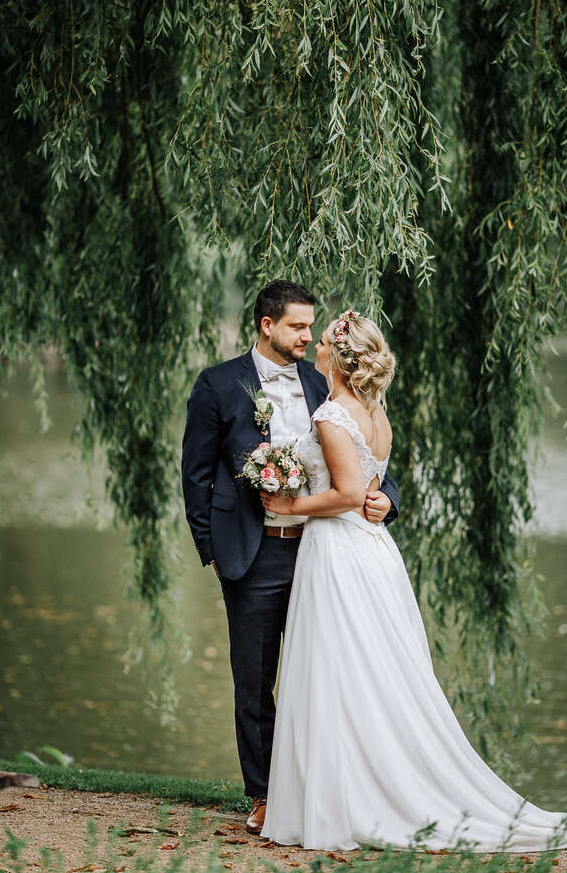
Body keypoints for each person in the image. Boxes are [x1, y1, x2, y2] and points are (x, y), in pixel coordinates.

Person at [258, 309, 567, 853]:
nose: (315, 346)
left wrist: (287, 503)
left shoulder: (331, 415)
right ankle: (353, 788)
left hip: (339, 553)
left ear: (339, 358)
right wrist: (375, 498)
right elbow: (371, 485)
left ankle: (345, 798)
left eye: (323, 341)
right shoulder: (374, 413)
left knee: (338, 668)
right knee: (366, 673)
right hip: (371, 552)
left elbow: (344, 495)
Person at [181, 283, 400, 835]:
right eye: (297, 327)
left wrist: (386, 497)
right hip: (252, 557)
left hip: (321, 553)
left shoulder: (323, 381)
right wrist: (212, 550)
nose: (308, 336)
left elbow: (363, 452)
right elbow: (196, 475)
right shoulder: (218, 384)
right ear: (265, 325)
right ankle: (263, 795)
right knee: (254, 683)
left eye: (311, 327)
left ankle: (327, 792)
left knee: (322, 677)